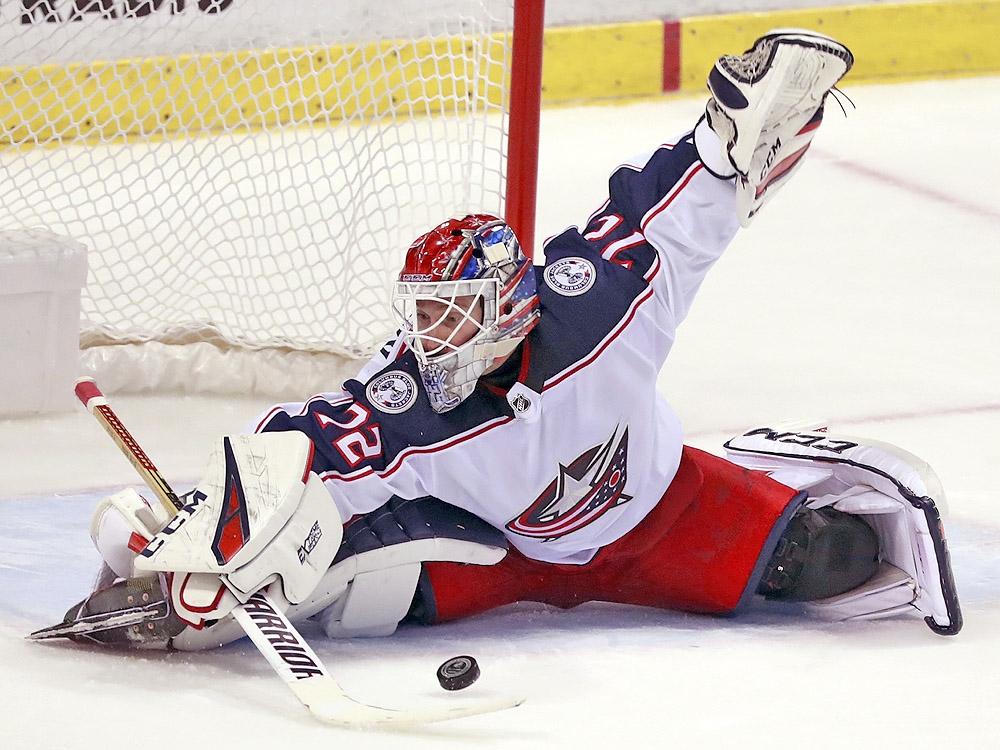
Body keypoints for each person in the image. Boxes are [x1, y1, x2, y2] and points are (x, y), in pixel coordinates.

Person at [39, 29, 961, 650]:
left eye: (452, 312)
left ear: (510, 306)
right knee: (343, 587)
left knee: (837, 562)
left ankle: (778, 482)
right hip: (499, 550)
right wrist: (205, 522)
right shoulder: (402, 402)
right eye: (423, 311)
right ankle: (193, 598)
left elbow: (668, 217)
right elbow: (298, 444)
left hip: (663, 513)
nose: (429, 334)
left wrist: (735, 134)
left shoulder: (594, 310)